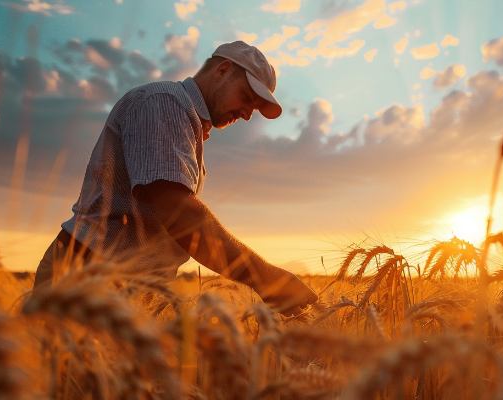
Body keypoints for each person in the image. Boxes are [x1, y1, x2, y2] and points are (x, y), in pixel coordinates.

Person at [33, 41, 318, 315]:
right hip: (87, 273)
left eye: (254, 108)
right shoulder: (164, 103)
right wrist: (267, 279)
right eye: (246, 97)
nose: (246, 114)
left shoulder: (186, 123)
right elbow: (178, 212)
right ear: (223, 70)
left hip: (119, 285)